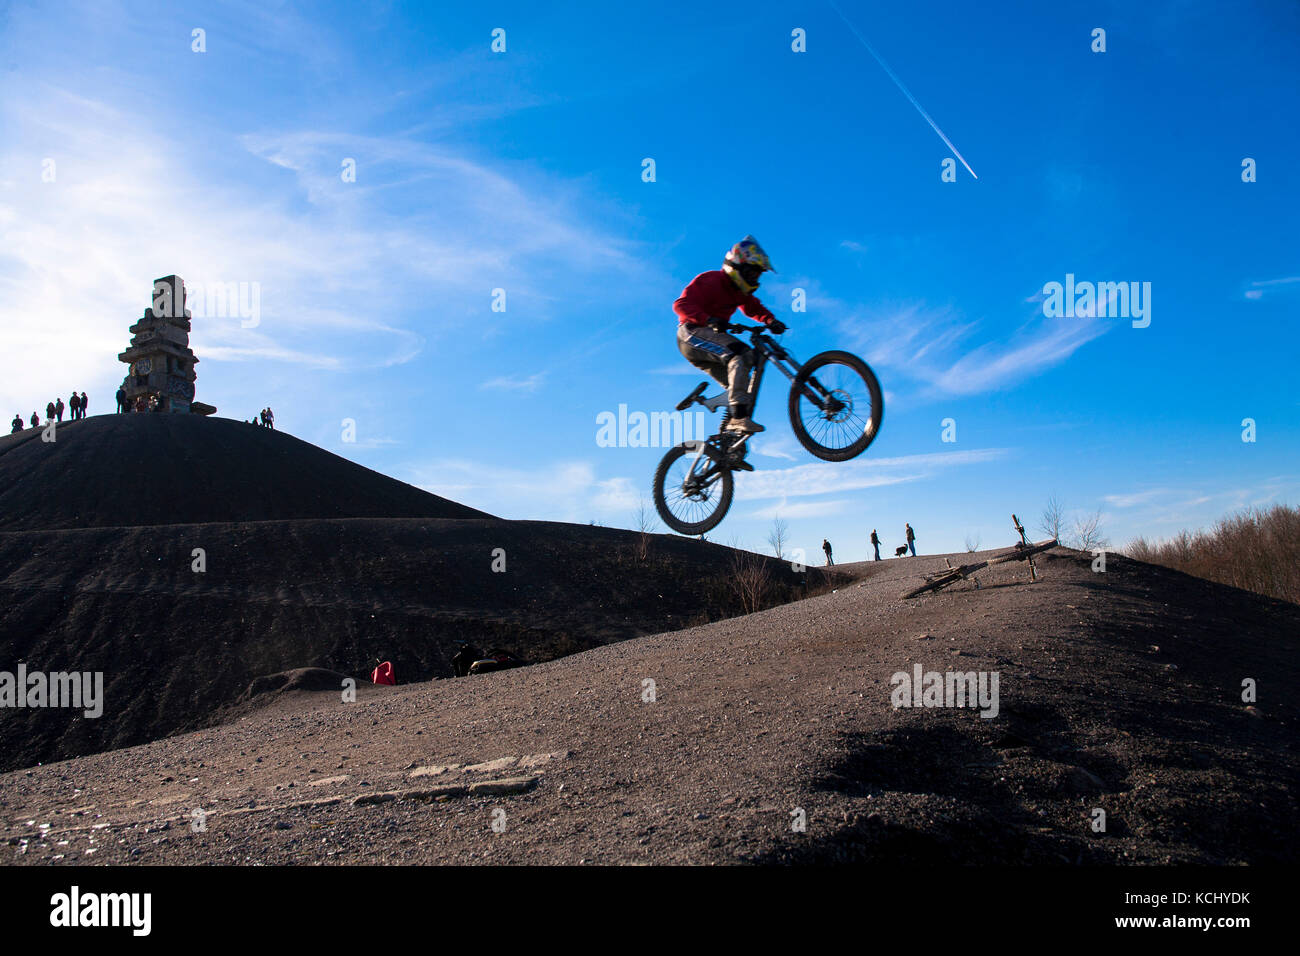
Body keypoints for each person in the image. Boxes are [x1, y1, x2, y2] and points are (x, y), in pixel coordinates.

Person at [673, 236, 786, 434]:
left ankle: (725, 445)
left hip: (709, 344)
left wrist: (770, 320)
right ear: (736, 266)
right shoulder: (711, 280)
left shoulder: (740, 293)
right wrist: (707, 319)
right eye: (751, 273)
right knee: (739, 354)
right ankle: (739, 418)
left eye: (757, 276)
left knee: (742, 383)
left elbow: (752, 307)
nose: (754, 279)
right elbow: (680, 305)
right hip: (692, 333)